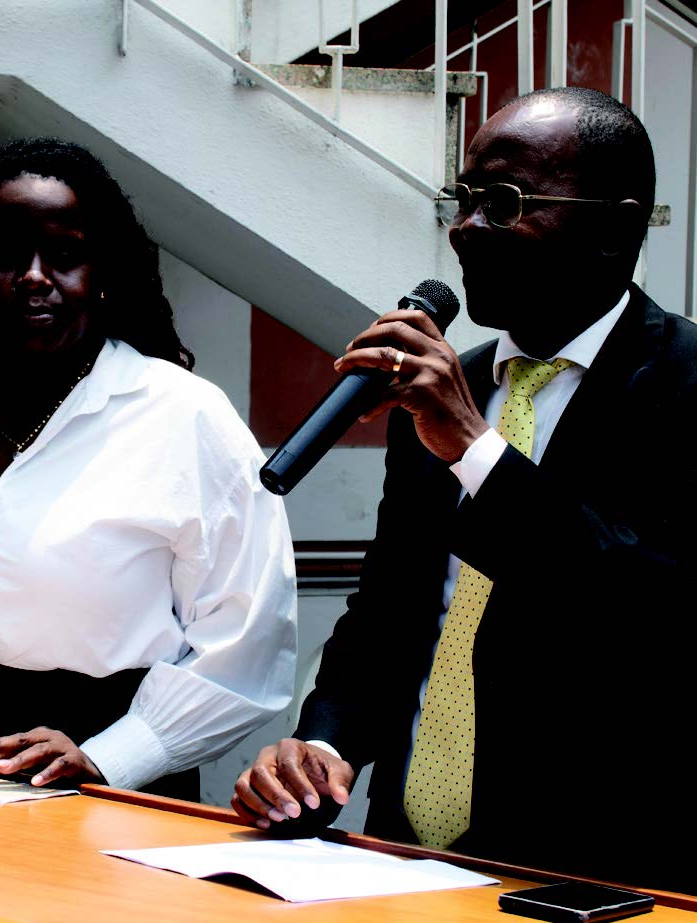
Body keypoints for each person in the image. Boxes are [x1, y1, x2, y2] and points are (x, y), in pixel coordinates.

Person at [232, 86, 697, 893]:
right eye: (464, 198)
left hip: (594, 868)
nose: (464, 226)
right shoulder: (453, 389)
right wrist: (325, 744)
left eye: (504, 202)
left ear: (615, 228)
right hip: (404, 849)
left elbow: (640, 610)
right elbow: (389, 612)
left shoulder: (683, 385)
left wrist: (475, 450)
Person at [0, 138, 297, 798]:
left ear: (103, 274)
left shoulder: (186, 419)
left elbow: (246, 638)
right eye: (7, 255)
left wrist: (109, 756)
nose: (35, 276)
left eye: (65, 255)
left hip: (110, 777)